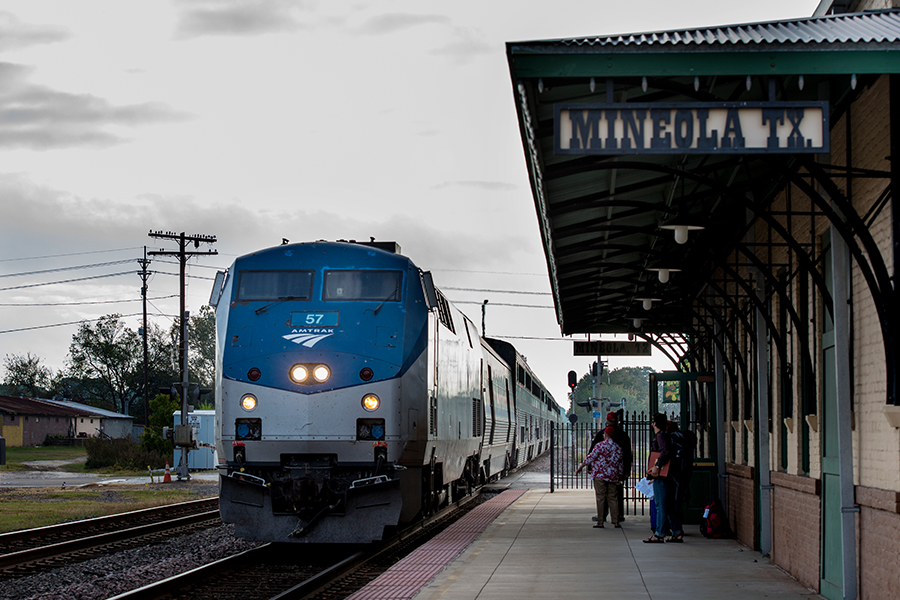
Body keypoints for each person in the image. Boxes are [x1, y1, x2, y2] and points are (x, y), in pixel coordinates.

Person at [644, 412, 683, 543]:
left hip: (662, 476)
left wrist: (657, 466)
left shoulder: (660, 436)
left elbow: (665, 452)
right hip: (671, 475)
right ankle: (677, 532)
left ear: (654, 424)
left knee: (661, 505)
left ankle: (659, 533)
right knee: (671, 505)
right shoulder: (668, 435)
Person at [576, 426, 623, 528]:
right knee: (613, 498)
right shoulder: (617, 448)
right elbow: (620, 464)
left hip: (600, 475)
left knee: (600, 498)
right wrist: (620, 475)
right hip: (613, 476)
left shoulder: (599, 446)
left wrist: (581, 467)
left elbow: (591, 457)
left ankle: (600, 521)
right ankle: (616, 521)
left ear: (605, 434)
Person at [603, 412, 632, 523]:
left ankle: (603, 515)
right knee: (618, 494)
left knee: (604, 495)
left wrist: (590, 467)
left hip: (604, 472)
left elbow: (593, 452)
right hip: (618, 472)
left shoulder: (602, 434)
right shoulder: (624, 436)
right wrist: (627, 470)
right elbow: (628, 455)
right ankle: (618, 515)